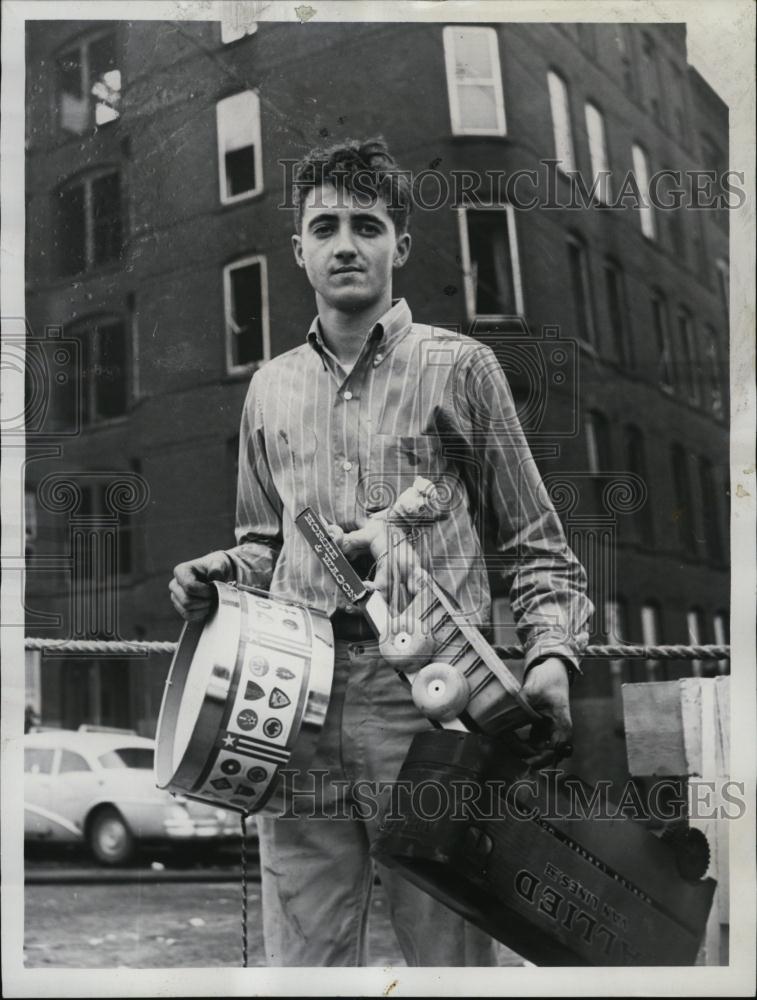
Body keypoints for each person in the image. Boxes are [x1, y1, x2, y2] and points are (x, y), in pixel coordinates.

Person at [169, 138, 593, 966]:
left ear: (400, 244)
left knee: (449, 956)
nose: (344, 244)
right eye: (323, 226)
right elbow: (265, 545)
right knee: (305, 958)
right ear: (297, 250)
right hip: (293, 702)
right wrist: (221, 576)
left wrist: (552, 655)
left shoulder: (461, 368)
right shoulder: (269, 386)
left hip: (434, 702)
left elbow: (537, 542)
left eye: (366, 224)